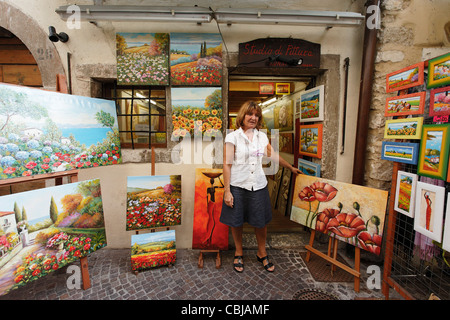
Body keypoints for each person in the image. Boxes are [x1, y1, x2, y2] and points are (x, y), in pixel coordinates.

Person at [220, 100, 301, 273]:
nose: (253, 118)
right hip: (237, 184)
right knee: (237, 222)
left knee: (261, 222)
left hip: (258, 185)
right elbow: (226, 164)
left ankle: (261, 252)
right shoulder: (232, 137)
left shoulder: (261, 136)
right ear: (242, 116)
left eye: (257, 115)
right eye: (250, 114)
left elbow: (273, 155)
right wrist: (227, 191)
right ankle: (239, 252)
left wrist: (290, 167)